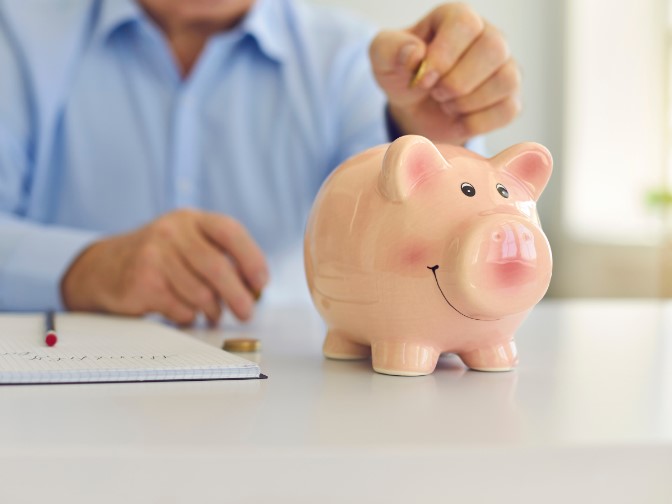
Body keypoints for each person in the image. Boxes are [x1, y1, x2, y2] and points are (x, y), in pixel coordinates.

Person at [0, 0, 520, 325]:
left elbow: (413, 262)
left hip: (296, 408)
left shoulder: (346, 61)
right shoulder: (15, 37)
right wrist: (87, 269)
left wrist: (424, 134)